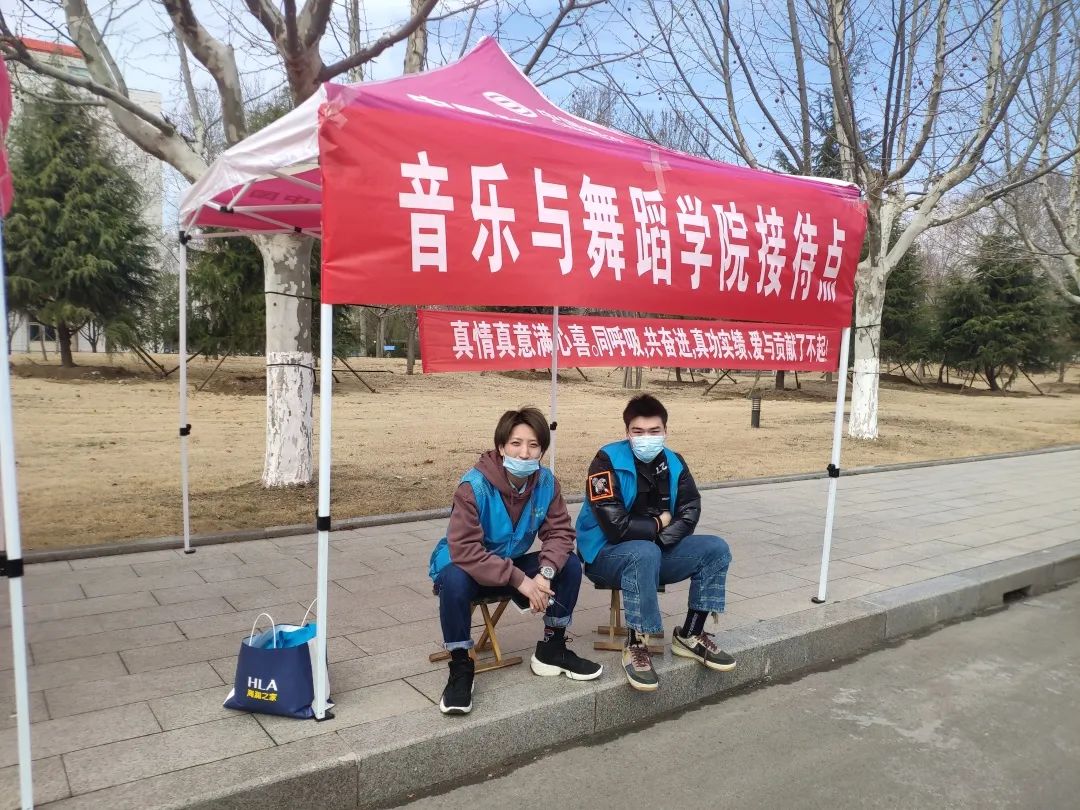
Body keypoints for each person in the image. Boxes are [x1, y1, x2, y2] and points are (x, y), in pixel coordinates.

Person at [429, 407, 602, 715]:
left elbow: (560, 533)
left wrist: (544, 574)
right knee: (454, 578)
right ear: (501, 447)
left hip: (508, 566)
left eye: (533, 445)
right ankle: (460, 667)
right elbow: (465, 550)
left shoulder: (546, 483)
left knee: (568, 564)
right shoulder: (474, 487)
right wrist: (521, 580)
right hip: (467, 568)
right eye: (516, 443)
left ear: (542, 450)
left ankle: (552, 648)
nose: (524, 453)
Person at [575, 394, 735, 692]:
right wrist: (659, 523)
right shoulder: (605, 461)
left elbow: (690, 511)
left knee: (716, 549)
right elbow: (615, 527)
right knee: (644, 552)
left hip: (654, 552)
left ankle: (690, 634)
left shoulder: (675, 462)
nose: (646, 438)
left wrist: (659, 540)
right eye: (638, 431)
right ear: (627, 432)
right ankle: (637, 643)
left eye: (654, 431)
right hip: (604, 556)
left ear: (665, 431)